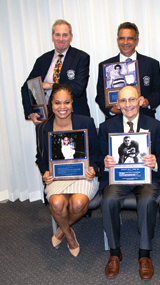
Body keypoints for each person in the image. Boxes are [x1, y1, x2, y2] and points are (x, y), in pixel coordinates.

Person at [99, 86, 160, 280]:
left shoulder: (155, 125)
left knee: (145, 201)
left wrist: (156, 162)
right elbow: (99, 156)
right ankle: (114, 252)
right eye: (123, 101)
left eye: (132, 100)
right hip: (118, 178)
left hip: (146, 177)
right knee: (108, 200)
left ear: (140, 100)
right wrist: (105, 162)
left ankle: (144, 254)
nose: (128, 105)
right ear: (117, 104)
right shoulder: (106, 127)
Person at [36, 84, 100, 257]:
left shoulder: (86, 122)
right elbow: (40, 158)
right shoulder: (43, 128)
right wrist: (45, 173)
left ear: (72, 104)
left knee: (78, 203)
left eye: (66, 102)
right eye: (57, 103)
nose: (62, 107)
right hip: (58, 177)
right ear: (51, 105)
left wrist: (93, 168)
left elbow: (96, 152)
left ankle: (61, 230)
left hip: (82, 175)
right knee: (56, 203)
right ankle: (70, 235)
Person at [21, 19, 90, 125]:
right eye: (57, 35)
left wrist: (50, 86)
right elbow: (26, 87)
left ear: (71, 37)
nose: (61, 39)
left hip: (75, 118)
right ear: (52, 37)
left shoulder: (81, 57)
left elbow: (78, 88)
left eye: (65, 35)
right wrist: (30, 112)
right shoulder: (42, 60)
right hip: (48, 120)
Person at [96, 22, 160, 119]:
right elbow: (100, 95)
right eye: (122, 38)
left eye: (130, 38)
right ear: (117, 40)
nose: (125, 42)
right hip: (116, 120)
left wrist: (148, 102)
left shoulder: (151, 64)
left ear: (137, 41)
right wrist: (110, 110)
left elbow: (159, 91)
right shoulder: (105, 66)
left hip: (144, 118)